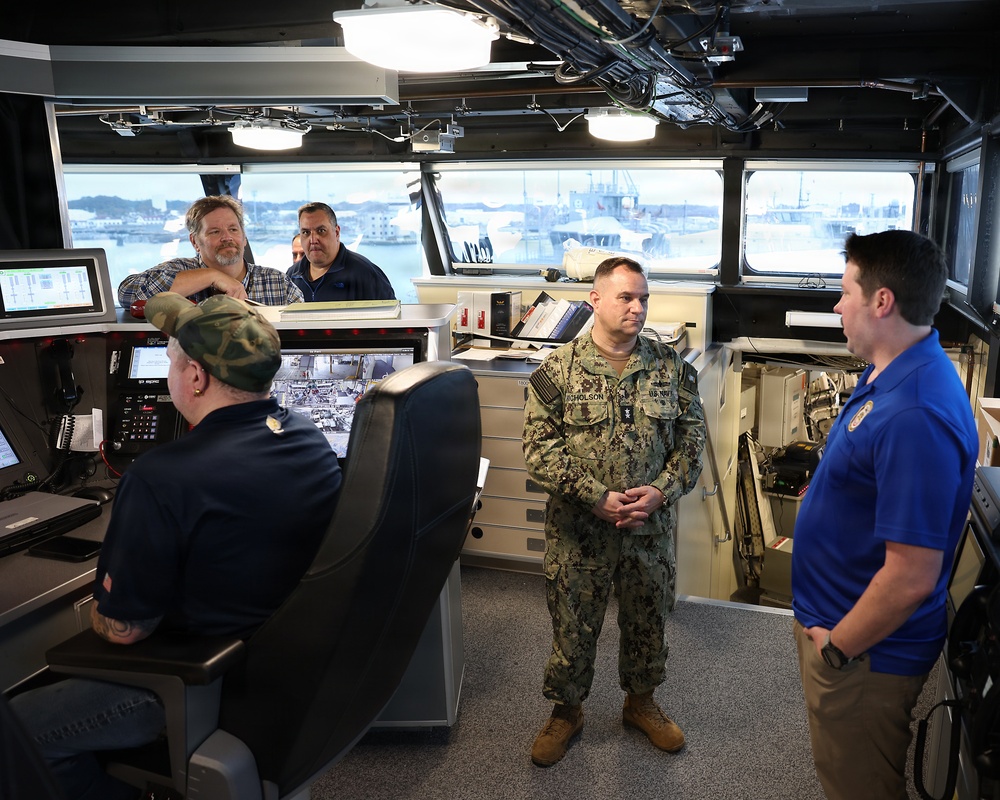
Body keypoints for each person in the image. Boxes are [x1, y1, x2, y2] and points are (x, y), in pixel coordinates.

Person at [10, 292, 343, 800]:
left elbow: (125, 631)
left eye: (171, 360)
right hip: (281, 661)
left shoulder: (161, 477)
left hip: (193, 681)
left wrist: (102, 603)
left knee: (18, 726)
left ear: (196, 377)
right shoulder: (306, 435)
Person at [791, 230, 978, 800]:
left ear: (881, 301)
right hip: (843, 626)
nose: (836, 306)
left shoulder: (915, 414)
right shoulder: (888, 369)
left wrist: (838, 649)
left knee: (860, 786)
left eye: (845, 292)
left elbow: (911, 576)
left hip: (864, 652)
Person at [522, 256, 706, 767]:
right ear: (595, 300)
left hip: (649, 527)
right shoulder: (557, 372)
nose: (637, 307)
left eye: (643, 298)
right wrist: (595, 496)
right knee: (574, 623)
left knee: (648, 618)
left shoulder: (670, 367)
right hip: (579, 530)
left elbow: (692, 440)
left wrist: (662, 491)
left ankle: (641, 704)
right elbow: (539, 451)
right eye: (626, 297)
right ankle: (566, 712)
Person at [117, 195, 303, 308]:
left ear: (244, 237)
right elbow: (127, 294)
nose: (227, 237)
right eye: (215, 232)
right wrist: (212, 276)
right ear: (195, 241)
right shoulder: (178, 270)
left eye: (233, 229)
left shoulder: (278, 283)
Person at [286, 201, 396, 302]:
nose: (313, 240)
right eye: (306, 232)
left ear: (337, 232)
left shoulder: (366, 274)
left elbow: (391, 316)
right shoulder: (292, 276)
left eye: (321, 231)